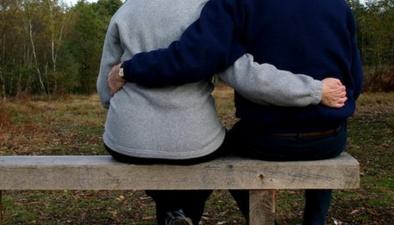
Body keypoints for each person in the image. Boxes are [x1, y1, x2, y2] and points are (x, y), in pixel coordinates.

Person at [106, 0, 363, 225]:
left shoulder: (233, 4)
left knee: (218, 147)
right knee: (204, 146)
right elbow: (356, 79)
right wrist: (323, 94)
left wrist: (127, 70)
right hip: (329, 138)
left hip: (267, 138)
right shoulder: (339, 5)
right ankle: (314, 219)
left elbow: (201, 60)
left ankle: (191, 211)